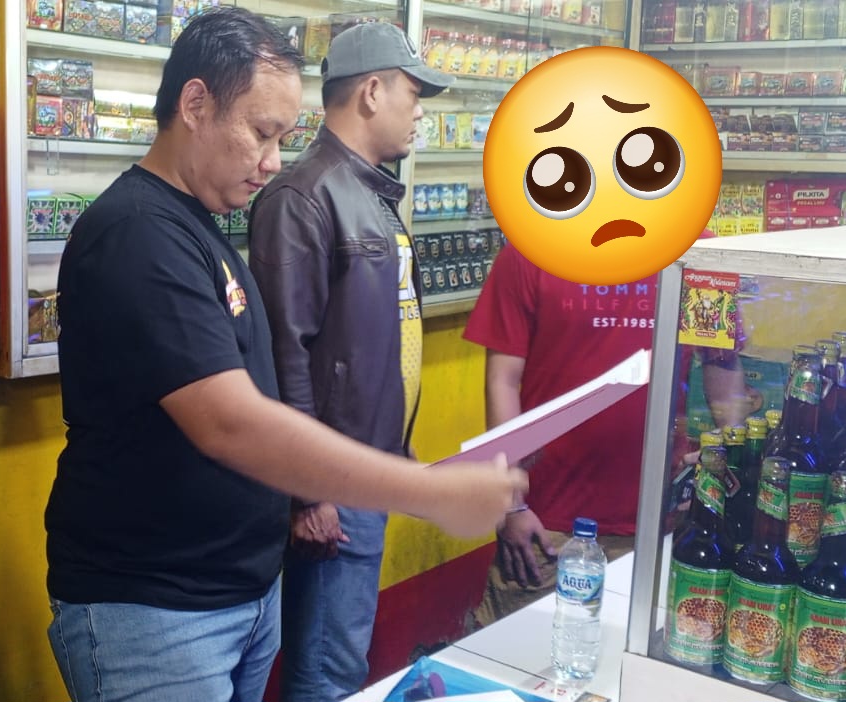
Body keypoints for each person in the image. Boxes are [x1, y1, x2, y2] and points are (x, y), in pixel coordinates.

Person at [45, 8, 527, 702]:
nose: (272, 161)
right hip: (157, 611)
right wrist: (429, 492)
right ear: (195, 104)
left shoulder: (198, 226)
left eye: (282, 138)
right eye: (261, 133)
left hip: (232, 595)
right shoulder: (137, 234)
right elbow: (231, 421)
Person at [246, 21, 453, 702]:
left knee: (337, 660)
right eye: (413, 94)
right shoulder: (304, 197)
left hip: (362, 468)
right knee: (326, 671)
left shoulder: (369, 193)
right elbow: (285, 353)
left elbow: (371, 345)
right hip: (333, 482)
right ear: (371, 92)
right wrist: (310, 491)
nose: (419, 112)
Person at [463, 234, 754, 629]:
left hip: (663, 517)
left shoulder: (694, 250)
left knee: (641, 654)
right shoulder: (533, 247)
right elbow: (502, 381)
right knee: (516, 654)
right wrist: (510, 504)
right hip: (549, 526)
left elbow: (721, 365)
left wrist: (731, 460)